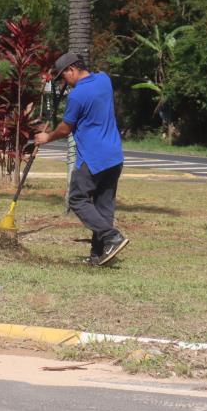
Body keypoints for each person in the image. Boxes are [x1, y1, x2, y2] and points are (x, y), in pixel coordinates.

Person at [35, 52, 129, 266]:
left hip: (93, 157)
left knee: (77, 199)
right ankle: (100, 254)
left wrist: (46, 137)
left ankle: (112, 236)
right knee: (104, 205)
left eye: (63, 76)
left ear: (72, 70)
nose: (64, 82)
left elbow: (65, 128)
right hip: (115, 156)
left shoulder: (77, 96)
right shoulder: (104, 80)